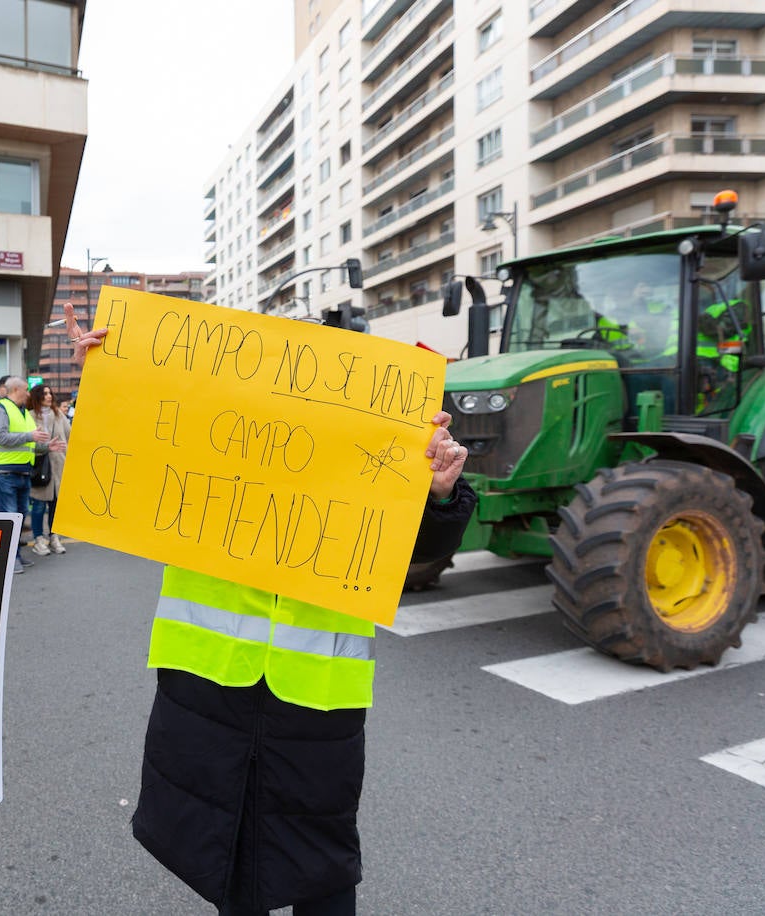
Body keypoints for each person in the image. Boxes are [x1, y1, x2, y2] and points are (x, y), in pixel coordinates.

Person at [63, 302, 476, 916]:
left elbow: (419, 551)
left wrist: (438, 491)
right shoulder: (213, 430)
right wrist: (108, 378)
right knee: (224, 850)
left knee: (321, 858)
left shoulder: (373, 449)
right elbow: (131, 461)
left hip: (318, 696)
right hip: (208, 684)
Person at [0, 375, 49, 574]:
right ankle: (9, 560)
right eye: (25, 390)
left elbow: (30, 443)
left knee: (19, 518)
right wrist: (31, 436)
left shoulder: (22, 412)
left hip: (22, 471)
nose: (28, 394)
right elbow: (1, 437)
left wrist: (48, 446)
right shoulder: (0, 408)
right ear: (15, 390)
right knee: (9, 518)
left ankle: (16, 557)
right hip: (5, 472)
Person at [26, 383, 69, 556]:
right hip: (39, 466)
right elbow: (27, 442)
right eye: (44, 394)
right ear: (37, 397)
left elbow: (70, 434)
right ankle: (38, 539)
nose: (49, 396)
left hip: (58, 465)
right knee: (37, 505)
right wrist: (44, 447)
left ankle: (54, 536)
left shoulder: (58, 414)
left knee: (55, 505)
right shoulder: (29, 416)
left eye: (50, 393)